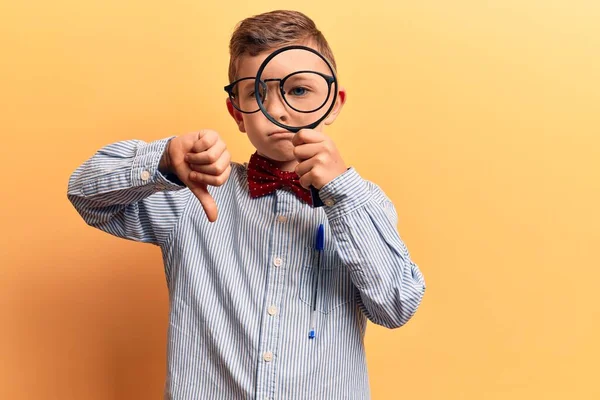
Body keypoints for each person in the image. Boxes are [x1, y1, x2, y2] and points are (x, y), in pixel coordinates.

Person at [67, 9, 426, 400]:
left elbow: (396, 304)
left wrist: (341, 193)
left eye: (298, 90)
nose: (278, 109)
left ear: (334, 104)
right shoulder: (194, 194)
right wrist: (164, 159)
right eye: (257, 93)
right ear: (237, 112)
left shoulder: (364, 203)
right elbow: (85, 195)